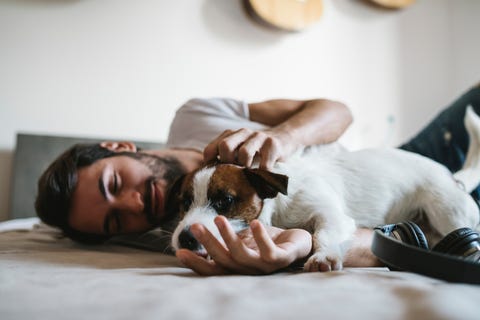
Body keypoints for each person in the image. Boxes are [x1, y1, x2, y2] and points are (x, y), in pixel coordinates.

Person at [35, 83, 480, 275]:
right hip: (384, 216)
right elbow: (364, 233)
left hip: (401, 164)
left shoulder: (195, 114)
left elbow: (339, 111)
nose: (134, 206)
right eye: (115, 223)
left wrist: (281, 136)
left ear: (119, 147)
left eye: (114, 184)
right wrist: (307, 246)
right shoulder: (171, 237)